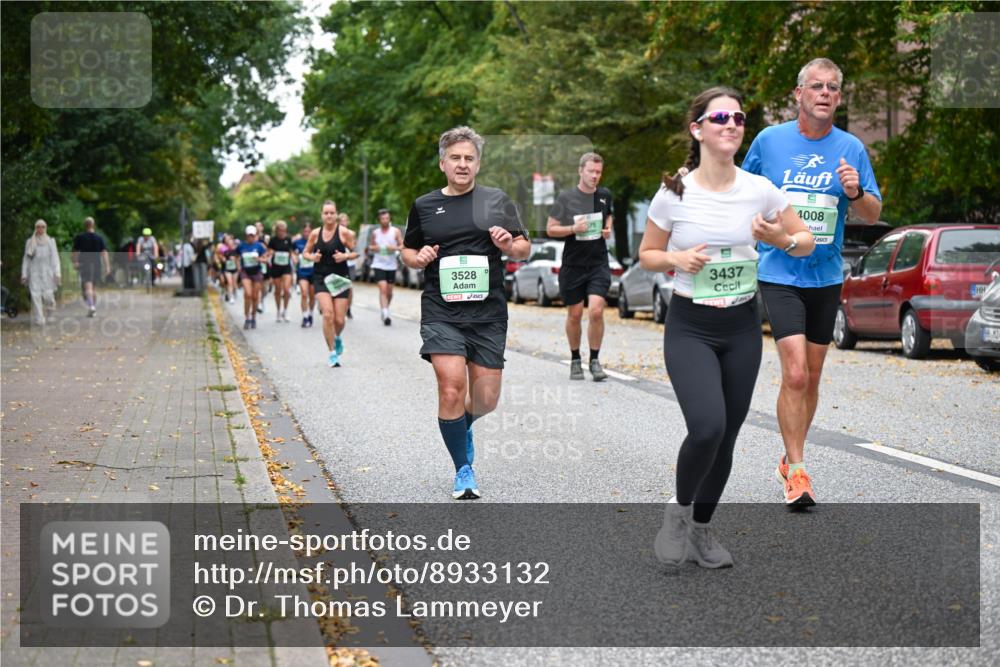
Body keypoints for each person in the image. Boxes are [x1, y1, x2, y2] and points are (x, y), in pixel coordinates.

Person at [639, 87, 814, 568]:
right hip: (690, 325)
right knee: (707, 427)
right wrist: (676, 258)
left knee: (727, 435)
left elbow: (805, 240)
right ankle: (678, 514)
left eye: (738, 117)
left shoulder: (760, 189)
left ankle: (701, 530)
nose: (732, 124)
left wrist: (780, 237)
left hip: (741, 327)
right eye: (721, 117)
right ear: (697, 129)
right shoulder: (674, 192)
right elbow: (647, 255)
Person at [742, 58, 882, 507]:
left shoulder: (851, 148)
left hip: (825, 275)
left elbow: (873, 214)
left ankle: (790, 458)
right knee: (796, 372)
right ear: (798, 93)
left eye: (833, 87)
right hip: (779, 271)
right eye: (817, 86)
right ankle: (800, 472)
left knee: (814, 375)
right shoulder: (769, 141)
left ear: (839, 98)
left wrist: (855, 192)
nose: (825, 93)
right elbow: (742, 193)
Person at [401, 126, 530, 500]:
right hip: (441, 310)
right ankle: (463, 469)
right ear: (443, 163)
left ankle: (463, 425)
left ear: (478, 164)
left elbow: (524, 247)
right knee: (451, 386)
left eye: (469, 158)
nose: (462, 164)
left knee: (486, 398)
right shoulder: (424, 206)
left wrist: (509, 244)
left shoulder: (496, 200)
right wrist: (418, 258)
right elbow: (408, 250)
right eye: (455, 158)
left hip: (488, 313)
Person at [546, 152, 615, 381]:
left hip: (598, 263)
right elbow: (551, 229)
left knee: (596, 310)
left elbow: (609, 216)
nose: (595, 176)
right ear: (580, 171)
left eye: (598, 172)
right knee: (575, 314)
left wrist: (608, 229)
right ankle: (575, 358)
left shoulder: (604, 195)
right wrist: (573, 229)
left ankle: (594, 360)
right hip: (573, 265)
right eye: (591, 171)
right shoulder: (565, 198)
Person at [303, 201, 357, 366]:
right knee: (327, 314)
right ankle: (332, 352)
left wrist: (345, 256)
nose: (329, 216)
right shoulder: (315, 234)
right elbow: (305, 253)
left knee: (339, 320)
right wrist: (313, 257)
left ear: (336, 214)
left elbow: (356, 252)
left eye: (332, 213)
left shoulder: (344, 233)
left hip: (340, 278)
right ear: (321, 215)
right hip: (321, 278)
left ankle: (337, 337)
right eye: (326, 213)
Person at [21, 219, 61, 326]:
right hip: (34, 272)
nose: (40, 229)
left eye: (42, 227)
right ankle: (39, 318)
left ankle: (50, 314)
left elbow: (55, 258)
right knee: (35, 295)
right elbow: (26, 259)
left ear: (45, 228)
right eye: (38, 227)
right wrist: (24, 274)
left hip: (48, 272)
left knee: (48, 295)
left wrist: (57, 273)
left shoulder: (50, 241)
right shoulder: (30, 242)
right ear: (35, 228)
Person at [369, 208, 404, 326]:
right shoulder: (375, 233)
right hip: (378, 264)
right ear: (379, 220)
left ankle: (385, 308)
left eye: (387, 218)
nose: (385, 220)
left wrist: (393, 248)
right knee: (383, 288)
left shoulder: (395, 231)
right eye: (383, 218)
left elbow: (402, 246)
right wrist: (376, 248)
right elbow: (371, 246)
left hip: (391, 265)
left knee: (389, 292)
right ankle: (385, 314)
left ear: (389, 219)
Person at [71, 216, 110, 317]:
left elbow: (75, 252)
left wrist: (74, 262)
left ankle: (91, 306)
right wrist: (107, 266)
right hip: (97, 264)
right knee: (93, 288)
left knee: (87, 287)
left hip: (85, 264)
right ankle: (93, 307)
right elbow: (104, 253)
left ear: (85, 225)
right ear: (93, 225)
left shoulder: (80, 237)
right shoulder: (99, 238)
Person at [237, 225, 267, 329]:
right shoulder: (241, 246)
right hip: (245, 272)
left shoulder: (259, 246)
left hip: (257, 272)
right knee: (248, 294)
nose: (250, 237)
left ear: (255, 236)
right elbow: (236, 256)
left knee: (255, 296)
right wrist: (238, 267)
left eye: (252, 236)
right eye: (249, 235)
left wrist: (259, 259)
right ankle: (247, 317)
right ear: (246, 236)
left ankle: (253, 316)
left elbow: (266, 259)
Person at [267, 220, 297, 322]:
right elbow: (269, 250)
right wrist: (272, 252)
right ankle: (278, 311)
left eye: (284, 230)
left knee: (287, 290)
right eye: (280, 230)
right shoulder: (273, 240)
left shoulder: (288, 239)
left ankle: (285, 311)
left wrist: (293, 257)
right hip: (276, 267)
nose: (282, 232)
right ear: (277, 230)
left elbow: (292, 251)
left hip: (286, 267)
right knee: (278, 291)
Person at [292, 222, 316, 327]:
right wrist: (294, 257)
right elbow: (292, 251)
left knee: (312, 296)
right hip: (302, 272)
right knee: (304, 294)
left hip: (314, 272)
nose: (307, 233)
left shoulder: (316, 242)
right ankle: (305, 317)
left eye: (309, 231)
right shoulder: (297, 242)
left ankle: (310, 313)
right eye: (305, 231)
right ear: (302, 232)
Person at [340, 213, 358, 319]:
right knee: (340, 287)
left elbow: (353, 248)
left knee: (349, 288)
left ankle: (348, 308)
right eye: (341, 221)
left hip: (350, 264)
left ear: (348, 222)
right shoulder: (336, 233)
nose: (343, 223)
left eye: (345, 220)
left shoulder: (352, 233)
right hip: (339, 263)